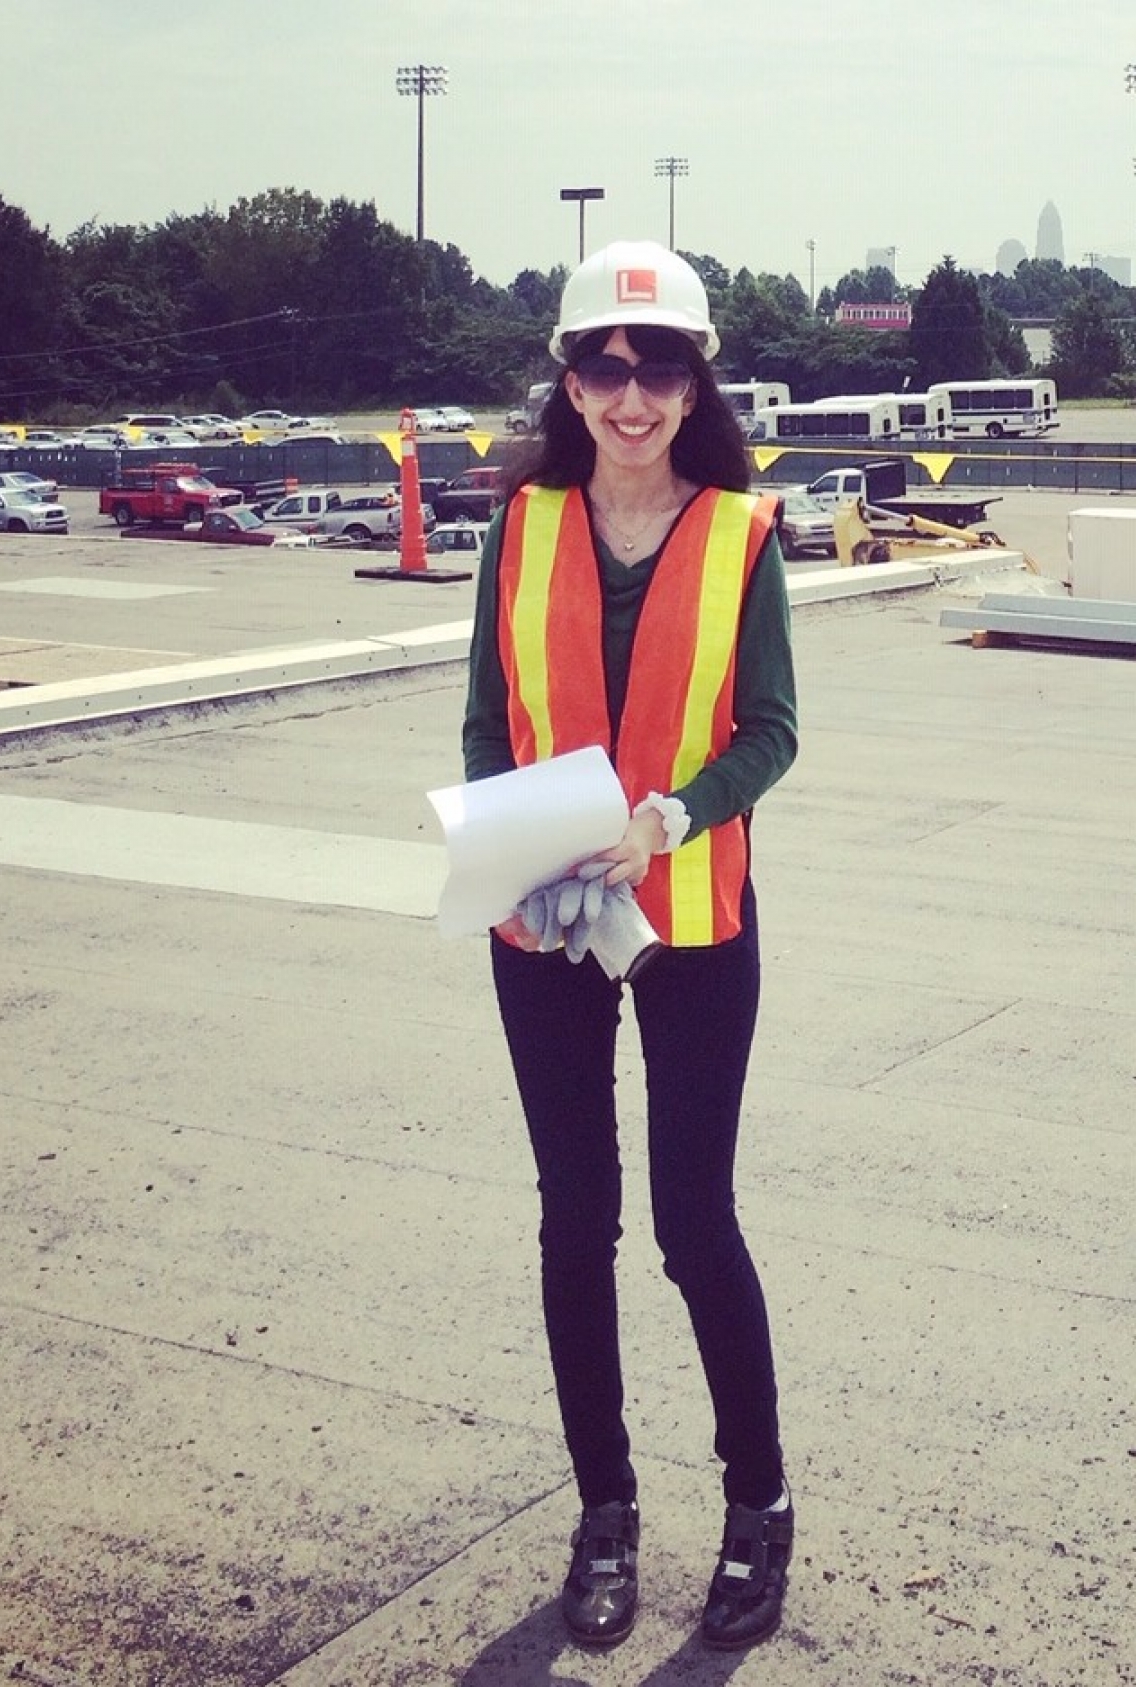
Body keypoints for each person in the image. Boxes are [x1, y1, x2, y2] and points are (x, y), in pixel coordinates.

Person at [459, 239, 799, 1651]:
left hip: (693, 919)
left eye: (658, 369)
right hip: (546, 919)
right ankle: (604, 1514)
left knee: (689, 1226)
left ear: (692, 382)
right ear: (570, 379)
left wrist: (670, 817)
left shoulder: (739, 534)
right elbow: (489, 719)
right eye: (605, 368)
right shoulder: (519, 527)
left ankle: (758, 1505)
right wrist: (510, 842)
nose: (631, 396)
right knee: (571, 1223)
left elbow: (774, 733)